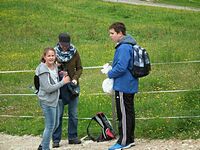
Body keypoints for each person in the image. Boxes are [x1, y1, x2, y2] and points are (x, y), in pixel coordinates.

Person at [107, 22, 139, 150]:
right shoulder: (129, 45)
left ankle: (124, 141)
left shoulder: (124, 47)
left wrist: (109, 73)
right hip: (129, 84)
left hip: (123, 85)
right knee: (129, 112)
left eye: (112, 33)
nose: (110, 36)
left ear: (120, 33)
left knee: (124, 114)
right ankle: (130, 139)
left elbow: (121, 67)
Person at [36, 47, 70, 150]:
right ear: (44, 57)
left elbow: (54, 78)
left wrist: (61, 75)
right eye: (49, 56)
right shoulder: (42, 69)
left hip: (55, 100)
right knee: (50, 126)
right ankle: (45, 148)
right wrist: (63, 82)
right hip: (47, 101)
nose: (51, 57)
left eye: (53, 55)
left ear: (55, 56)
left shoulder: (54, 67)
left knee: (55, 124)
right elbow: (48, 88)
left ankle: (42, 145)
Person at [52, 33, 83, 147]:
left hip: (73, 87)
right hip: (59, 87)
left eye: (67, 45)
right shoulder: (53, 53)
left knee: (73, 114)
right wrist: (56, 66)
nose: (65, 47)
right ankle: (56, 140)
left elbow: (79, 68)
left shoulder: (74, 52)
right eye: (63, 45)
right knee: (58, 115)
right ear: (59, 42)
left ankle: (73, 137)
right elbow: (47, 67)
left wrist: (75, 78)